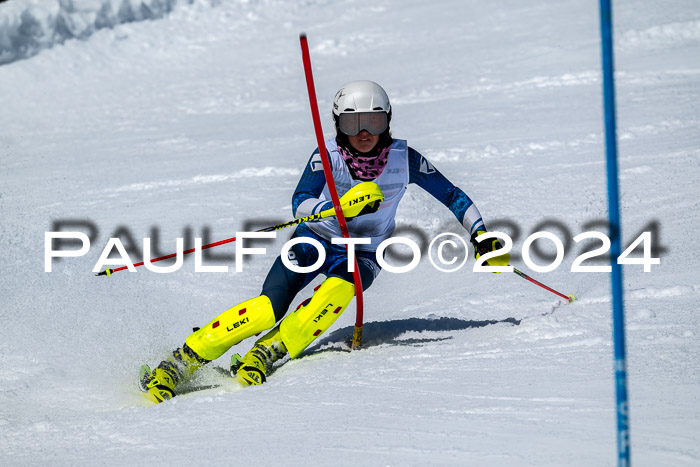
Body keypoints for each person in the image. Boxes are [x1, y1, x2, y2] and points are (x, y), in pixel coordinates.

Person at [139, 80, 510, 403]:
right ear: (339, 124)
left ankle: (270, 349)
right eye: (353, 123)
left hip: (364, 252)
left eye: (374, 121)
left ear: (388, 122)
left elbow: (453, 195)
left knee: (334, 294)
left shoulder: (404, 159)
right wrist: (337, 208)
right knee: (267, 308)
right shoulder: (326, 156)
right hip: (314, 238)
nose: (364, 132)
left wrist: (481, 235)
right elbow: (301, 199)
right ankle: (181, 361)